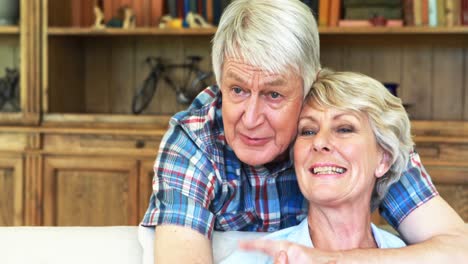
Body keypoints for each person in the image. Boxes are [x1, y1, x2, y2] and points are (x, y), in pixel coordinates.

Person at [140, 0, 468, 263]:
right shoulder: (195, 140)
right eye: (237, 90)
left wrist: (330, 261)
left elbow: (459, 248)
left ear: (308, 86)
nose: (251, 119)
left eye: (274, 94)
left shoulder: (357, 131)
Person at [222, 69, 410, 263]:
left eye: (344, 129)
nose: (319, 142)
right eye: (308, 131)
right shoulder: (253, 259)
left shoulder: (411, 256)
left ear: (384, 160)